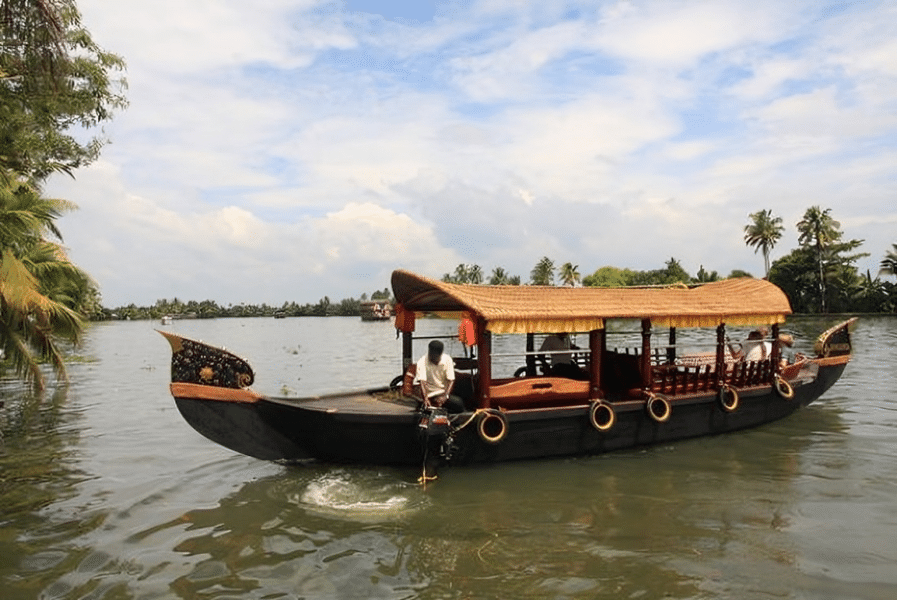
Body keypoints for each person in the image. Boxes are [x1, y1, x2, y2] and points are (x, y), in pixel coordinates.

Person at [415, 340, 465, 413]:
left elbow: (451, 380)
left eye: (435, 356)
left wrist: (445, 396)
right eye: (431, 354)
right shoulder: (422, 362)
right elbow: (423, 382)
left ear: (440, 354)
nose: (432, 357)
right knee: (423, 408)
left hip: (443, 393)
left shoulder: (447, 360)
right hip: (430, 395)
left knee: (459, 404)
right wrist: (425, 398)